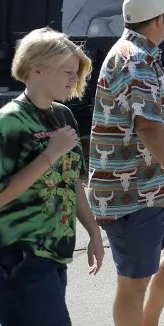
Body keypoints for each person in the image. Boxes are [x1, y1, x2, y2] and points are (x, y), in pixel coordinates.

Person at [87, 0, 164, 326]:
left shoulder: (142, 55)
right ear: (157, 20)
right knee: (134, 282)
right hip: (135, 194)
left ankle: (147, 321)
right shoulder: (134, 60)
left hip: (158, 187)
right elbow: (149, 128)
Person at [0, 28, 103, 325]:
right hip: (20, 254)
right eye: (67, 71)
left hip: (55, 252)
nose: (74, 78)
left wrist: (93, 232)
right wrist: (50, 154)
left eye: (76, 72)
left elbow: (72, 181)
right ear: (37, 69)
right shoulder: (10, 121)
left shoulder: (63, 115)